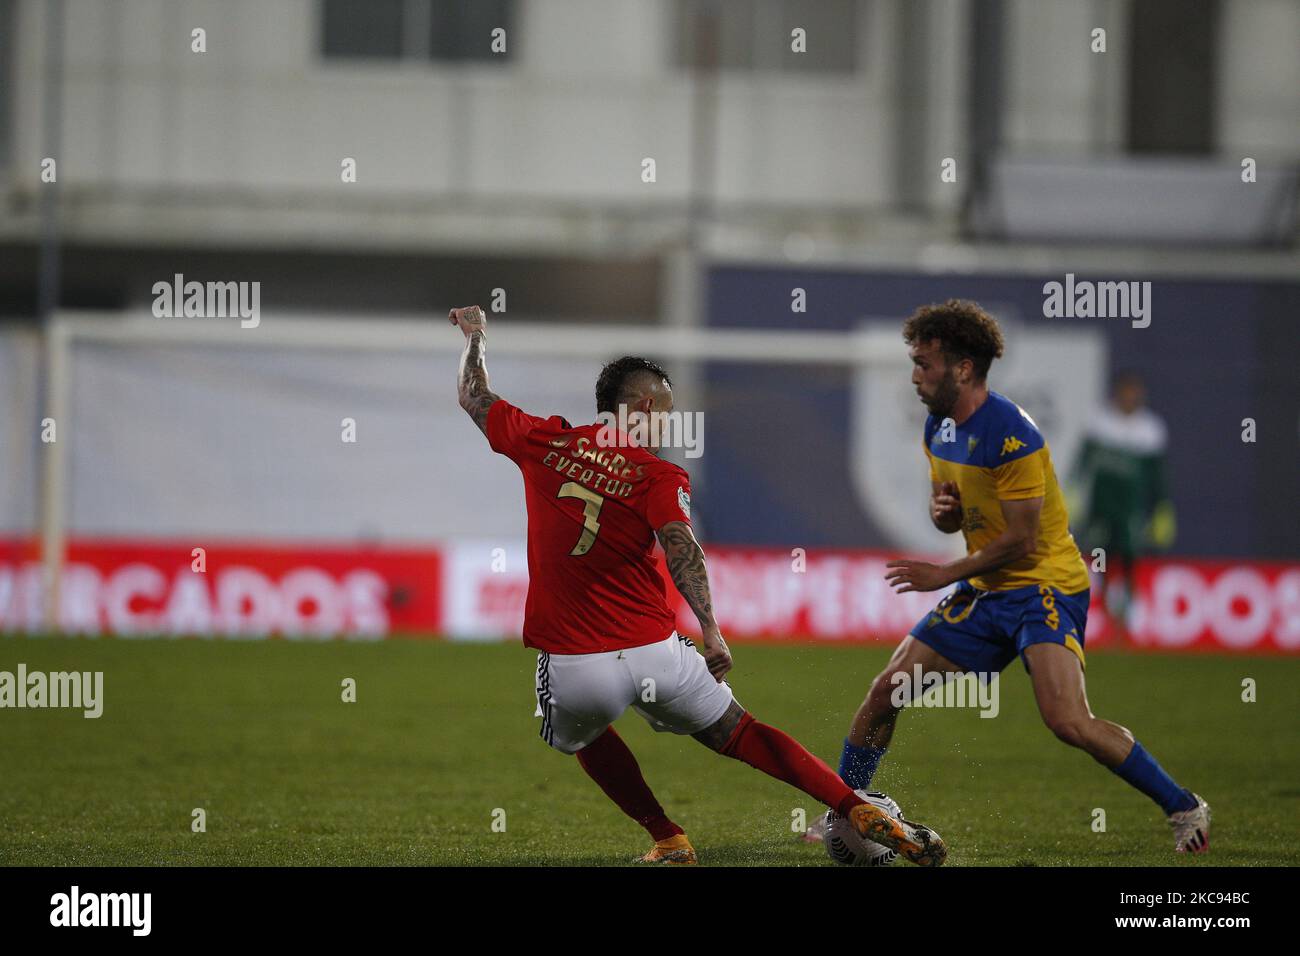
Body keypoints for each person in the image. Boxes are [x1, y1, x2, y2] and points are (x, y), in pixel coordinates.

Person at [449, 304, 945, 866]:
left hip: (576, 664)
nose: (666, 423)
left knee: (579, 734)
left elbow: (474, 397)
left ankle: (668, 837)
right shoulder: (658, 474)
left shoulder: (544, 440)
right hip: (657, 653)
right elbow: (681, 546)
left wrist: (475, 338)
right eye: (664, 411)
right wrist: (710, 630)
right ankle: (852, 805)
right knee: (742, 733)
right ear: (641, 408)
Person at [807, 299, 1208, 855]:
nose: (916, 375)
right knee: (886, 691)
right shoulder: (938, 427)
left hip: (1043, 586)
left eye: (925, 363)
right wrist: (943, 514)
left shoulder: (1012, 434)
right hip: (986, 591)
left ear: (963, 369)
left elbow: (1021, 538)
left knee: (1067, 720)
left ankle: (1182, 803)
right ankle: (846, 809)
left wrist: (941, 573)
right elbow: (945, 508)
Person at [1072, 371, 1176, 641]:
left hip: (1131, 510)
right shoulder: (1099, 422)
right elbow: (1083, 462)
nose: (1130, 397)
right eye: (1126, 391)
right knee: (1101, 559)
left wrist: (1161, 508)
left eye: (1135, 392)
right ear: (1117, 393)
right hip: (1101, 508)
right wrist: (1072, 492)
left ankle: (1126, 617)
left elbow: (1156, 476)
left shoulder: (1151, 429)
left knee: (1129, 559)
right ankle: (1106, 616)